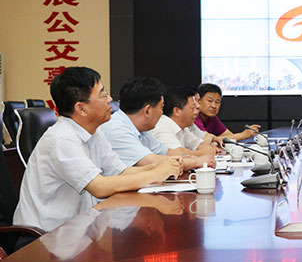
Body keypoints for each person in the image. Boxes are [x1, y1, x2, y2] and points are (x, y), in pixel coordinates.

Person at [13, 67, 180, 232]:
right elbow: (99, 187)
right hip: (44, 237)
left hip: (77, 230)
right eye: (103, 94)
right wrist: (155, 174)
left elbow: (120, 172)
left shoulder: (94, 132)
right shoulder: (62, 139)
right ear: (81, 108)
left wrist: (161, 166)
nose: (110, 99)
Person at [100, 77, 215, 170]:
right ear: (147, 110)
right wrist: (196, 162)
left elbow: (166, 152)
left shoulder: (142, 129)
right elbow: (151, 161)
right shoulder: (116, 128)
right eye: (161, 108)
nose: (162, 113)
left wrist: (191, 158)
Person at [151, 86, 221, 155]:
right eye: (193, 108)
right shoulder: (162, 126)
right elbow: (177, 154)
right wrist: (203, 153)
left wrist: (209, 150)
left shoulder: (183, 128)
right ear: (177, 111)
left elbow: (199, 144)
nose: (196, 111)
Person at [195, 83, 260, 141]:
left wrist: (245, 134)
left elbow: (230, 136)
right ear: (198, 100)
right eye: (209, 101)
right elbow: (209, 140)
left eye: (217, 102)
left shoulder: (212, 118)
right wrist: (243, 135)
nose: (214, 106)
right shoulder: (194, 117)